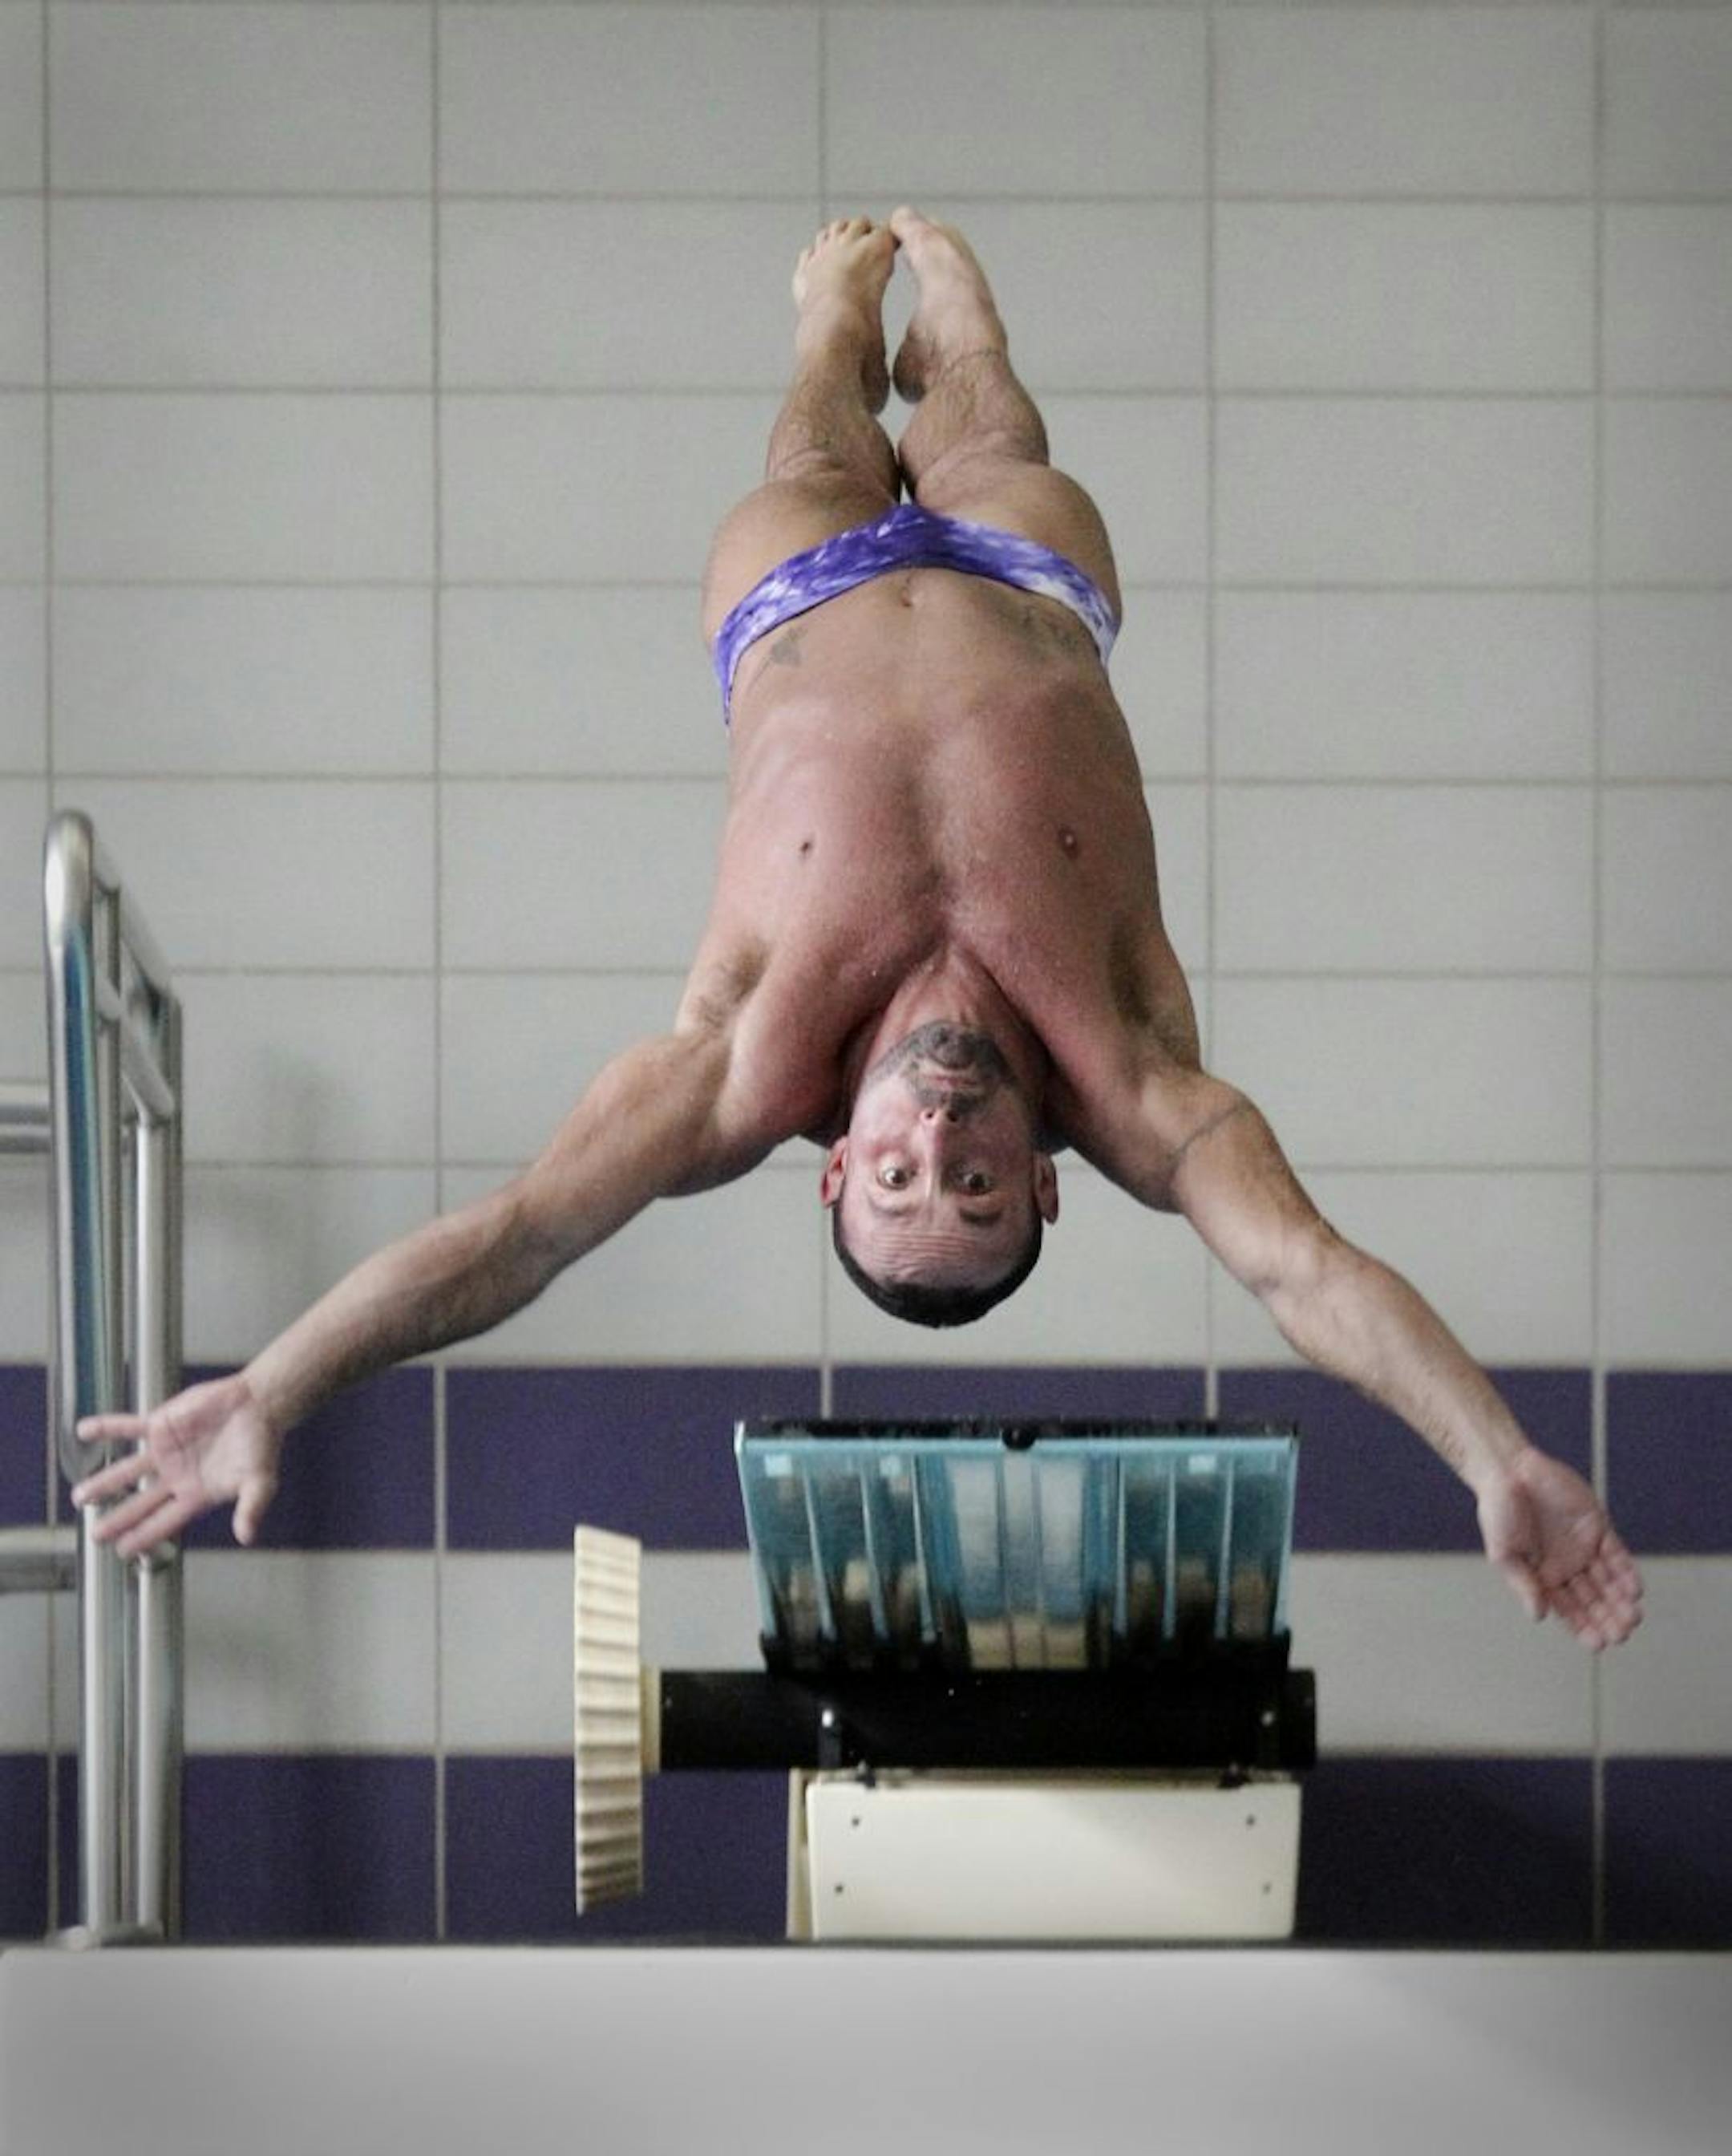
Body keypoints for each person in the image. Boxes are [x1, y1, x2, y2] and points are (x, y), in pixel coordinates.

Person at [73, 211, 1643, 1651]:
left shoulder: (741, 1074)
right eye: (978, 1186)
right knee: (991, 426)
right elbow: (1304, 1275)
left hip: (799, 594)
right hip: (1027, 587)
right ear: (1047, 1180)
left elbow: (522, 1235)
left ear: (833, 1168)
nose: (938, 1141)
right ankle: (960, 330)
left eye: (898, 1179)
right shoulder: (1133, 1089)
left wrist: (274, 1386)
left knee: (820, 421)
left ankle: (834, 318)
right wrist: (1495, 1459)